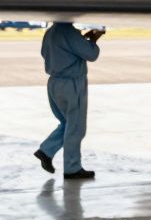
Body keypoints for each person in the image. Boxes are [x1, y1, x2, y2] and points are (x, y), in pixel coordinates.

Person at [34, 22, 103, 180]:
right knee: (76, 127)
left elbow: (50, 52)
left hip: (54, 82)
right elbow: (92, 54)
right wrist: (95, 39)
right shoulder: (69, 32)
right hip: (71, 83)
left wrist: (86, 39)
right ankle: (72, 168)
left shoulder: (51, 32)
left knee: (67, 123)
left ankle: (46, 151)